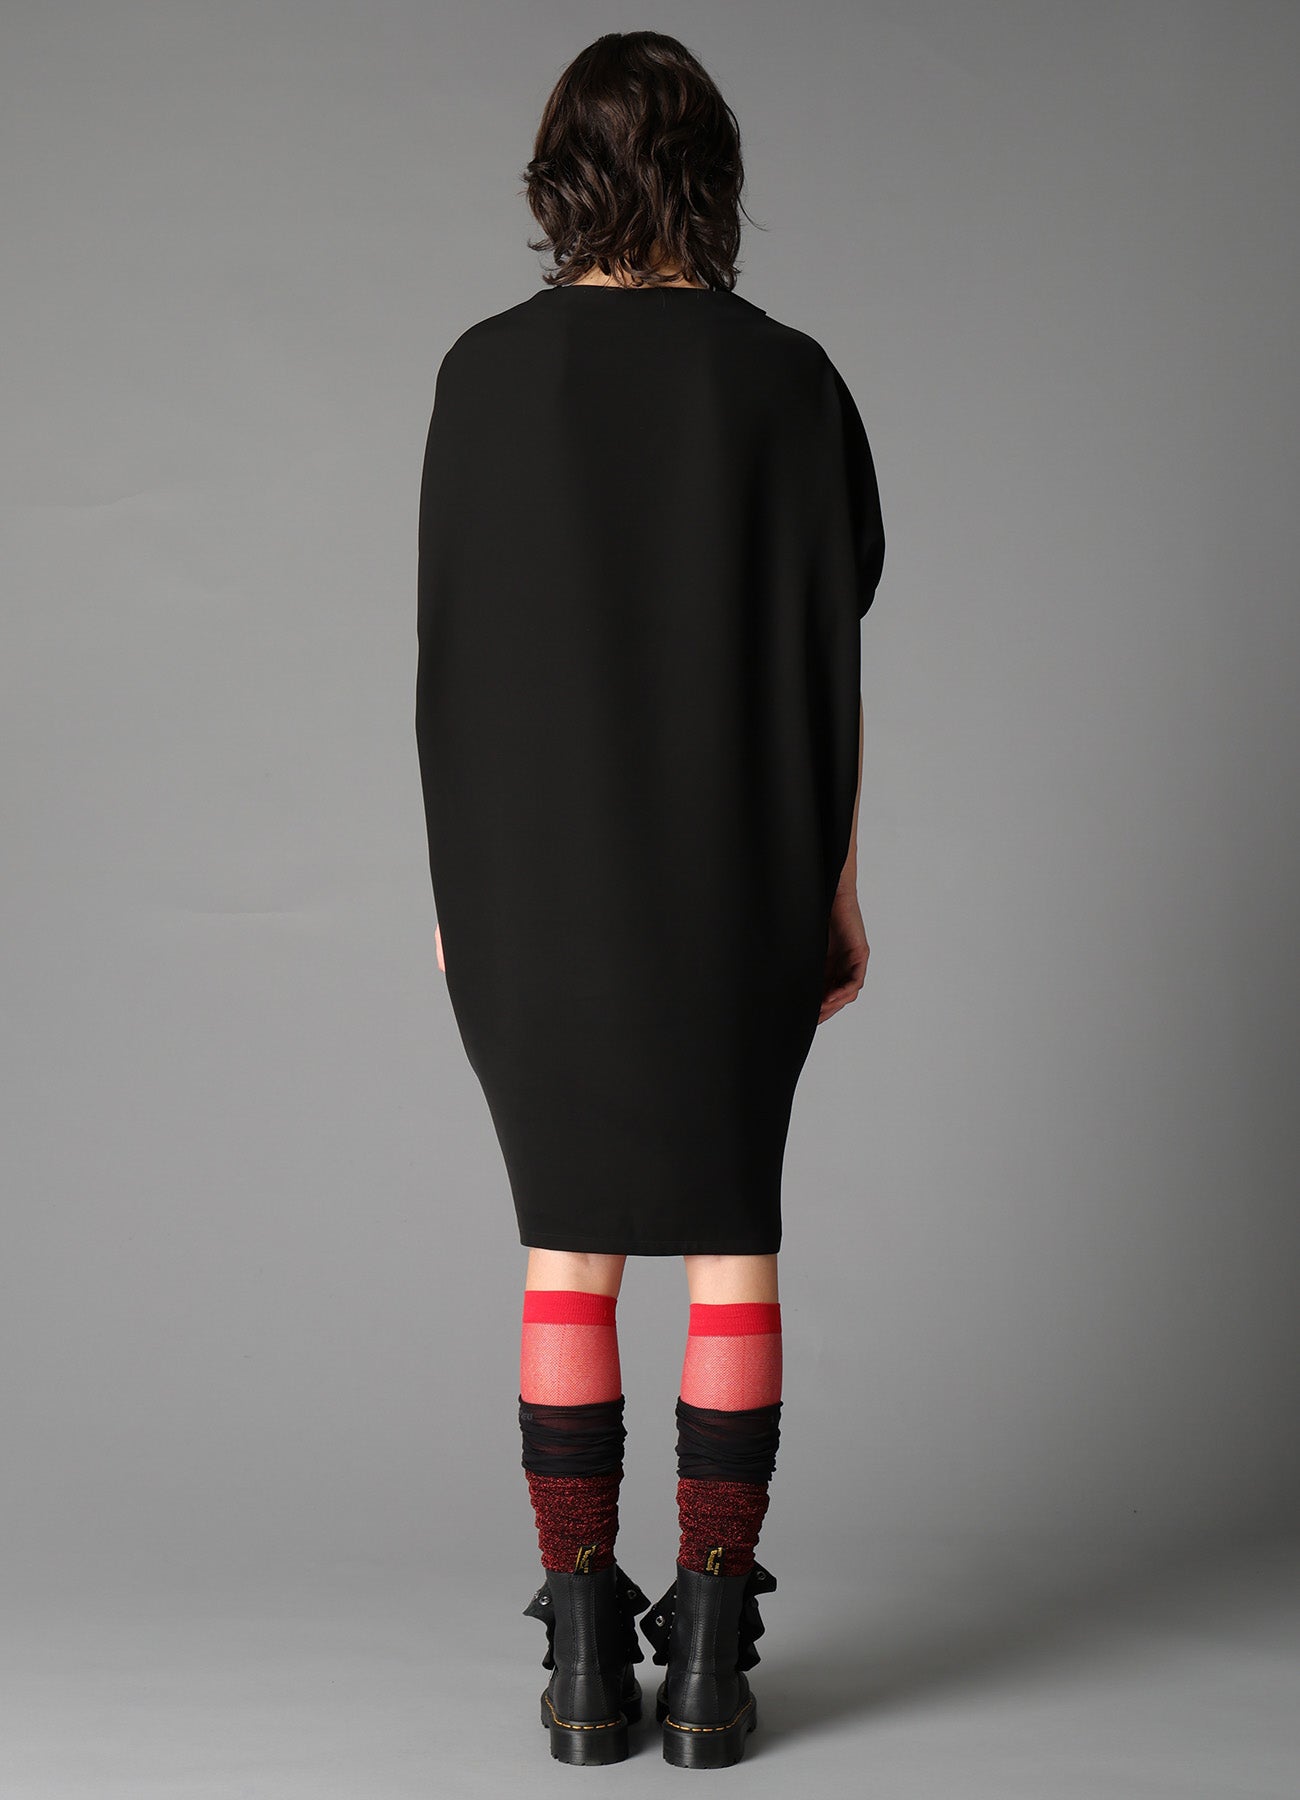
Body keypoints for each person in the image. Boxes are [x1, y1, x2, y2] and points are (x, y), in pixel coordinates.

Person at [414, 29, 885, 1770]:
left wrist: (463, 896)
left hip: (529, 886)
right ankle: (705, 1649)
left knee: (568, 1252)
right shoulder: (791, 382)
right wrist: (837, 883)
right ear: (712, 173)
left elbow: (450, 665)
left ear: (563, 173)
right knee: (734, 1242)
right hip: (742, 867)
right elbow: (828, 659)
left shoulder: (483, 375)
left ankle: (581, 1655)